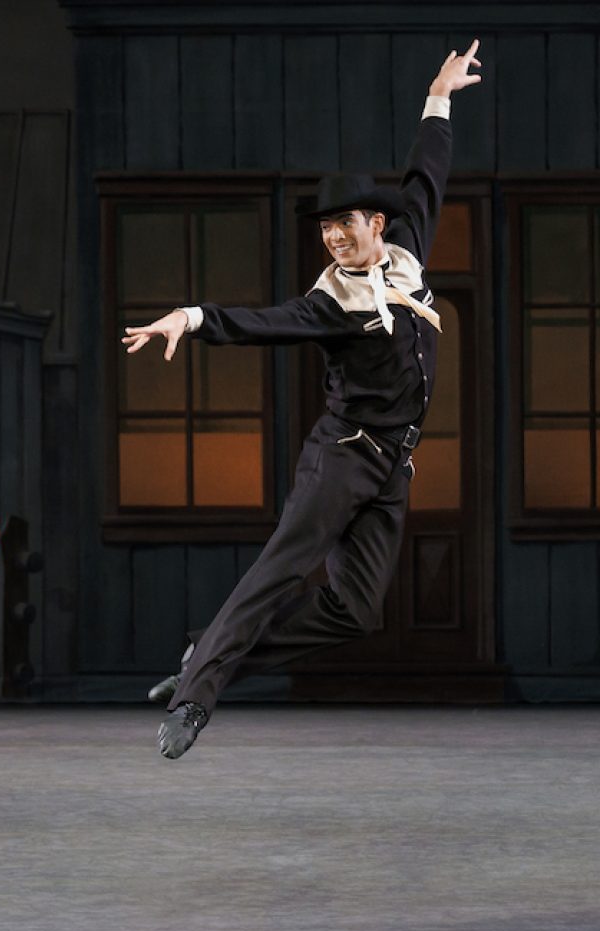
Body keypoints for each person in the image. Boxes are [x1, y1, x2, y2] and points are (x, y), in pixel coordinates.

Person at [122, 42, 483, 759]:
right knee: (279, 571)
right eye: (325, 229)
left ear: (375, 225)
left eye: (345, 225)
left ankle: (205, 662)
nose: (334, 238)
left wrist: (438, 96)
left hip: (391, 472)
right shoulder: (332, 303)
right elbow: (257, 322)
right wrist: (189, 319)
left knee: (355, 610)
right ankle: (195, 701)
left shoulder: (407, 250)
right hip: (341, 458)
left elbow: (427, 173)